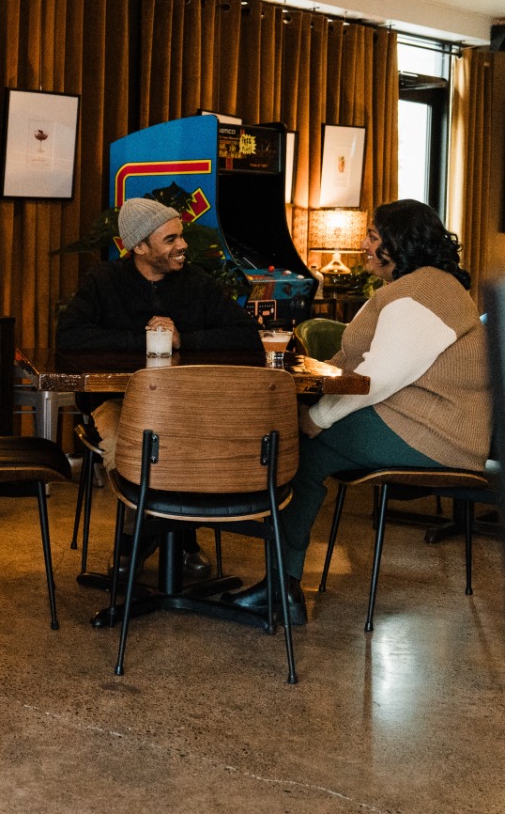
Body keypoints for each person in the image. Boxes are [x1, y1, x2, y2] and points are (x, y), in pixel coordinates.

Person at [224, 199, 492, 625]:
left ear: (398, 242)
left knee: (298, 450)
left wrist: (317, 418)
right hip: (426, 426)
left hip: (432, 435)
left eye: (372, 235)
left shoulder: (421, 294)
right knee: (296, 442)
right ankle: (278, 576)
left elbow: (378, 377)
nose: (364, 244)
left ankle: (280, 584)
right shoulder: (426, 286)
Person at [57, 196, 262, 576]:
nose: (183, 245)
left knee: (190, 445)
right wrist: (145, 337)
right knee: (136, 450)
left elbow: (247, 336)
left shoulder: (198, 283)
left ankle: (138, 541)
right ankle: (179, 538)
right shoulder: (103, 282)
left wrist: (183, 339)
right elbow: (70, 338)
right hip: (119, 400)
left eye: (180, 236)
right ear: (139, 247)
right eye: (170, 240)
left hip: (188, 402)